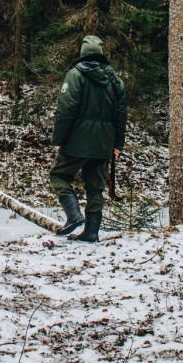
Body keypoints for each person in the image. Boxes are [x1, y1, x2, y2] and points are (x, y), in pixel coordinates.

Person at [50, 35, 127, 243]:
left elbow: (66, 109)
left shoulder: (75, 75)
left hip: (77, 141)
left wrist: (59, 138)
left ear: (83, 53)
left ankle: (74, 216)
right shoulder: (115, 80)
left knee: (58, 175)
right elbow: (121, 115)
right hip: (104, 143)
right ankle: (92, 232)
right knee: (96, 187)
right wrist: (117, 144)